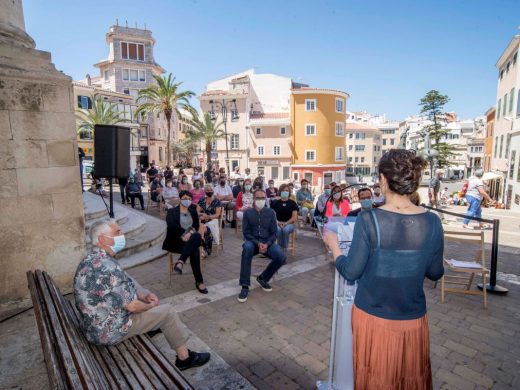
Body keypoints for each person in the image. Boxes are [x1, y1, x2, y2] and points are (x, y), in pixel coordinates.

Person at [323, 149, 444, 389]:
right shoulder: (432, 222)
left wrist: (334, 245)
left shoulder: (370, 219)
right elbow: (435, 272)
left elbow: (351, 271)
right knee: (409, 379)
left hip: (374, 318)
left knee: (376, 378)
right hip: (413, 319)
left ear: (383, 180)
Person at [74, 219, 210, 370]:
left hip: (95, 326)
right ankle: (184, 359)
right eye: (117, 232)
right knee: (167, 312)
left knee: (153, 309)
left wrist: (144, 293)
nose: (122, 234)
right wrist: (149, 305)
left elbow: (125, 278)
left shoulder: (92, 259)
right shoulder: (109, 267)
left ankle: (152, 325)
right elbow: (132, 307)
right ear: (102, 240)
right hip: (111, 331)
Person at [238, 189, 286, 302]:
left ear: (265, 199)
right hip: (253, 242)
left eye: (262, 198)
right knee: (247, 248)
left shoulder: (271, 213)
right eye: (258, 198)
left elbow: (274, 233)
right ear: (254, 199)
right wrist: (257, 243)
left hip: (268, 242)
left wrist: (267, 244)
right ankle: (245, 285)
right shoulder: (248, 213)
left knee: (281, 256)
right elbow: (246, 233)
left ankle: (263, 278)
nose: (260, 200)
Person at [162, 191, 208, 294]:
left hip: (191, 240)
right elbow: (172, 227)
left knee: (195, 238)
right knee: (194, 248)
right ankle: (199, 282)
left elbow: (196, 226)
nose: (187, 200)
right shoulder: (172, 211)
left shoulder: (192, 211)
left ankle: (181, 261)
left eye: (189, 199)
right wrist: (185, 234)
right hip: (177, 241)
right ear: (180, 198)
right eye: (185, 197)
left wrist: (190, 234)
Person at [270, 184, 299, 251]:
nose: (285, 192)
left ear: (289, 192)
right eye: (283, 190)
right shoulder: (275, 203)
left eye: (286, 190)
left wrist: (286, 223)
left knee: (285, 230)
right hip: (277, 223)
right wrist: (278, 222)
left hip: (289, 224)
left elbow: (294, 217)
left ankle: (283, 248)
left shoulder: (292, 203)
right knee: (279, 230)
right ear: (280, 192)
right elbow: (272, 215)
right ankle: (280, 249)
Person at [197, 184, 222, 252]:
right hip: (203, 220)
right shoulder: (202, 200)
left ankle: (203, 247)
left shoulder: (217, 201)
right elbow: (197, 212)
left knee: (203, 227)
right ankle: (204, 246)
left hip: (213, 220)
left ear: (213, 191)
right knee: (202, 226)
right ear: (205, 191)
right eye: (208, 190)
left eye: (211, 190)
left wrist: (208, 217)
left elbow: (217, 215)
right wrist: (202, 214)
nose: (209, 191)